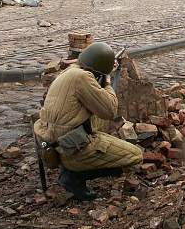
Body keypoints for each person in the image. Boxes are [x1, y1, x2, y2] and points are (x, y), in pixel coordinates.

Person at [34, 42, 143, 200]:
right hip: (71, 149)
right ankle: (74, 176)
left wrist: (103, 70)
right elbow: (110, 110)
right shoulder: (83, 77)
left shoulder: (72, 71)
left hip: (56, 143)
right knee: (135, 157)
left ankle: (72, 169)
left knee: (97, 117)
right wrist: (106, 79)